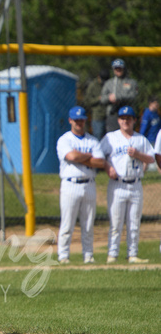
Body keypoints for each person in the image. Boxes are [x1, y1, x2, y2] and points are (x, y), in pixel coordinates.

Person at [100, 106, 154, 264]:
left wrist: (138, 154)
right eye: (123, 118)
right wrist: (107, 167)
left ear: (134, 121)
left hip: (135, 184)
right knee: (116, 222)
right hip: (118, 184)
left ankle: (132, 254)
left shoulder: (140, 139)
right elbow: (99, 155)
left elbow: (151, 158)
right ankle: (112, 254)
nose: (125, 121)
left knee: (134, 223)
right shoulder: (111, 137)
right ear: (118, 120)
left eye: (129, 118)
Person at [56, 106, 105, 264]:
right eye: (76, 120)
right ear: (70, 120)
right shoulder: (65, 139)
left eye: (82, 120)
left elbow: (100, 161)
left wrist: (80, 157)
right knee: (67, 223)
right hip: (70, 184)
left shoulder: (92, 140)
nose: (79, 122)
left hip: (89, 184)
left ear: (85, 120)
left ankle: (88, 255)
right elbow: (70, 155)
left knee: (88, 223)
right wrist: (89, 156)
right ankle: (63, 255)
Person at [100, 59, 138, 133]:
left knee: (127, 134)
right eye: (116, 68)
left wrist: (118, 97)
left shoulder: (131, 82)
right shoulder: (109, 83)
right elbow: (102, 98)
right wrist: (109, 98)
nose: (118, 70)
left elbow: (133, 96)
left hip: (127, 114)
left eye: (120, 68)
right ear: (113, 70)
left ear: (124, 69)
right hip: (113, 114)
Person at [84, 69, 109, 140]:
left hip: (109, 115)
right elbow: (87, 101)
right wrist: (98, 99)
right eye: (102, 79)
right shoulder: (93, 85)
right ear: (98, 77)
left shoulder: (109, 84)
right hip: (97, 116)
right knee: (98, 136)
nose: (104, 82)